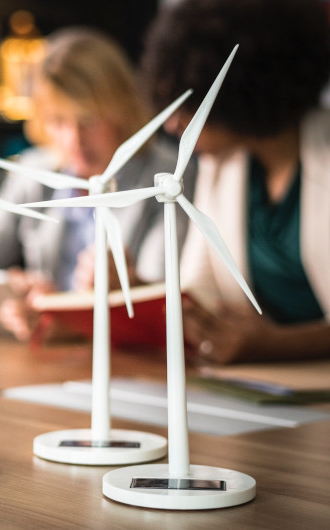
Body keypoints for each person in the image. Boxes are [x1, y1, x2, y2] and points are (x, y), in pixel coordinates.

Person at [0, 28, 196, 340]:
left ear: (121, 109)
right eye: (58, 121)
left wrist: (128, 286)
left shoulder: (168, 178)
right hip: (49, 355)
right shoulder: (34, 171)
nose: (74, 139)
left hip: (132, 355)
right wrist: (8, 291)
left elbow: (164, 300)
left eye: (88, 119)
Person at [140, 0, 330, 364]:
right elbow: (201, 291)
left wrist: (277, 345)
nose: (173, 125)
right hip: (267, 382)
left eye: (188, 106)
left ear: (237, 87)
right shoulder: (222, 166)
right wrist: (135, 294)